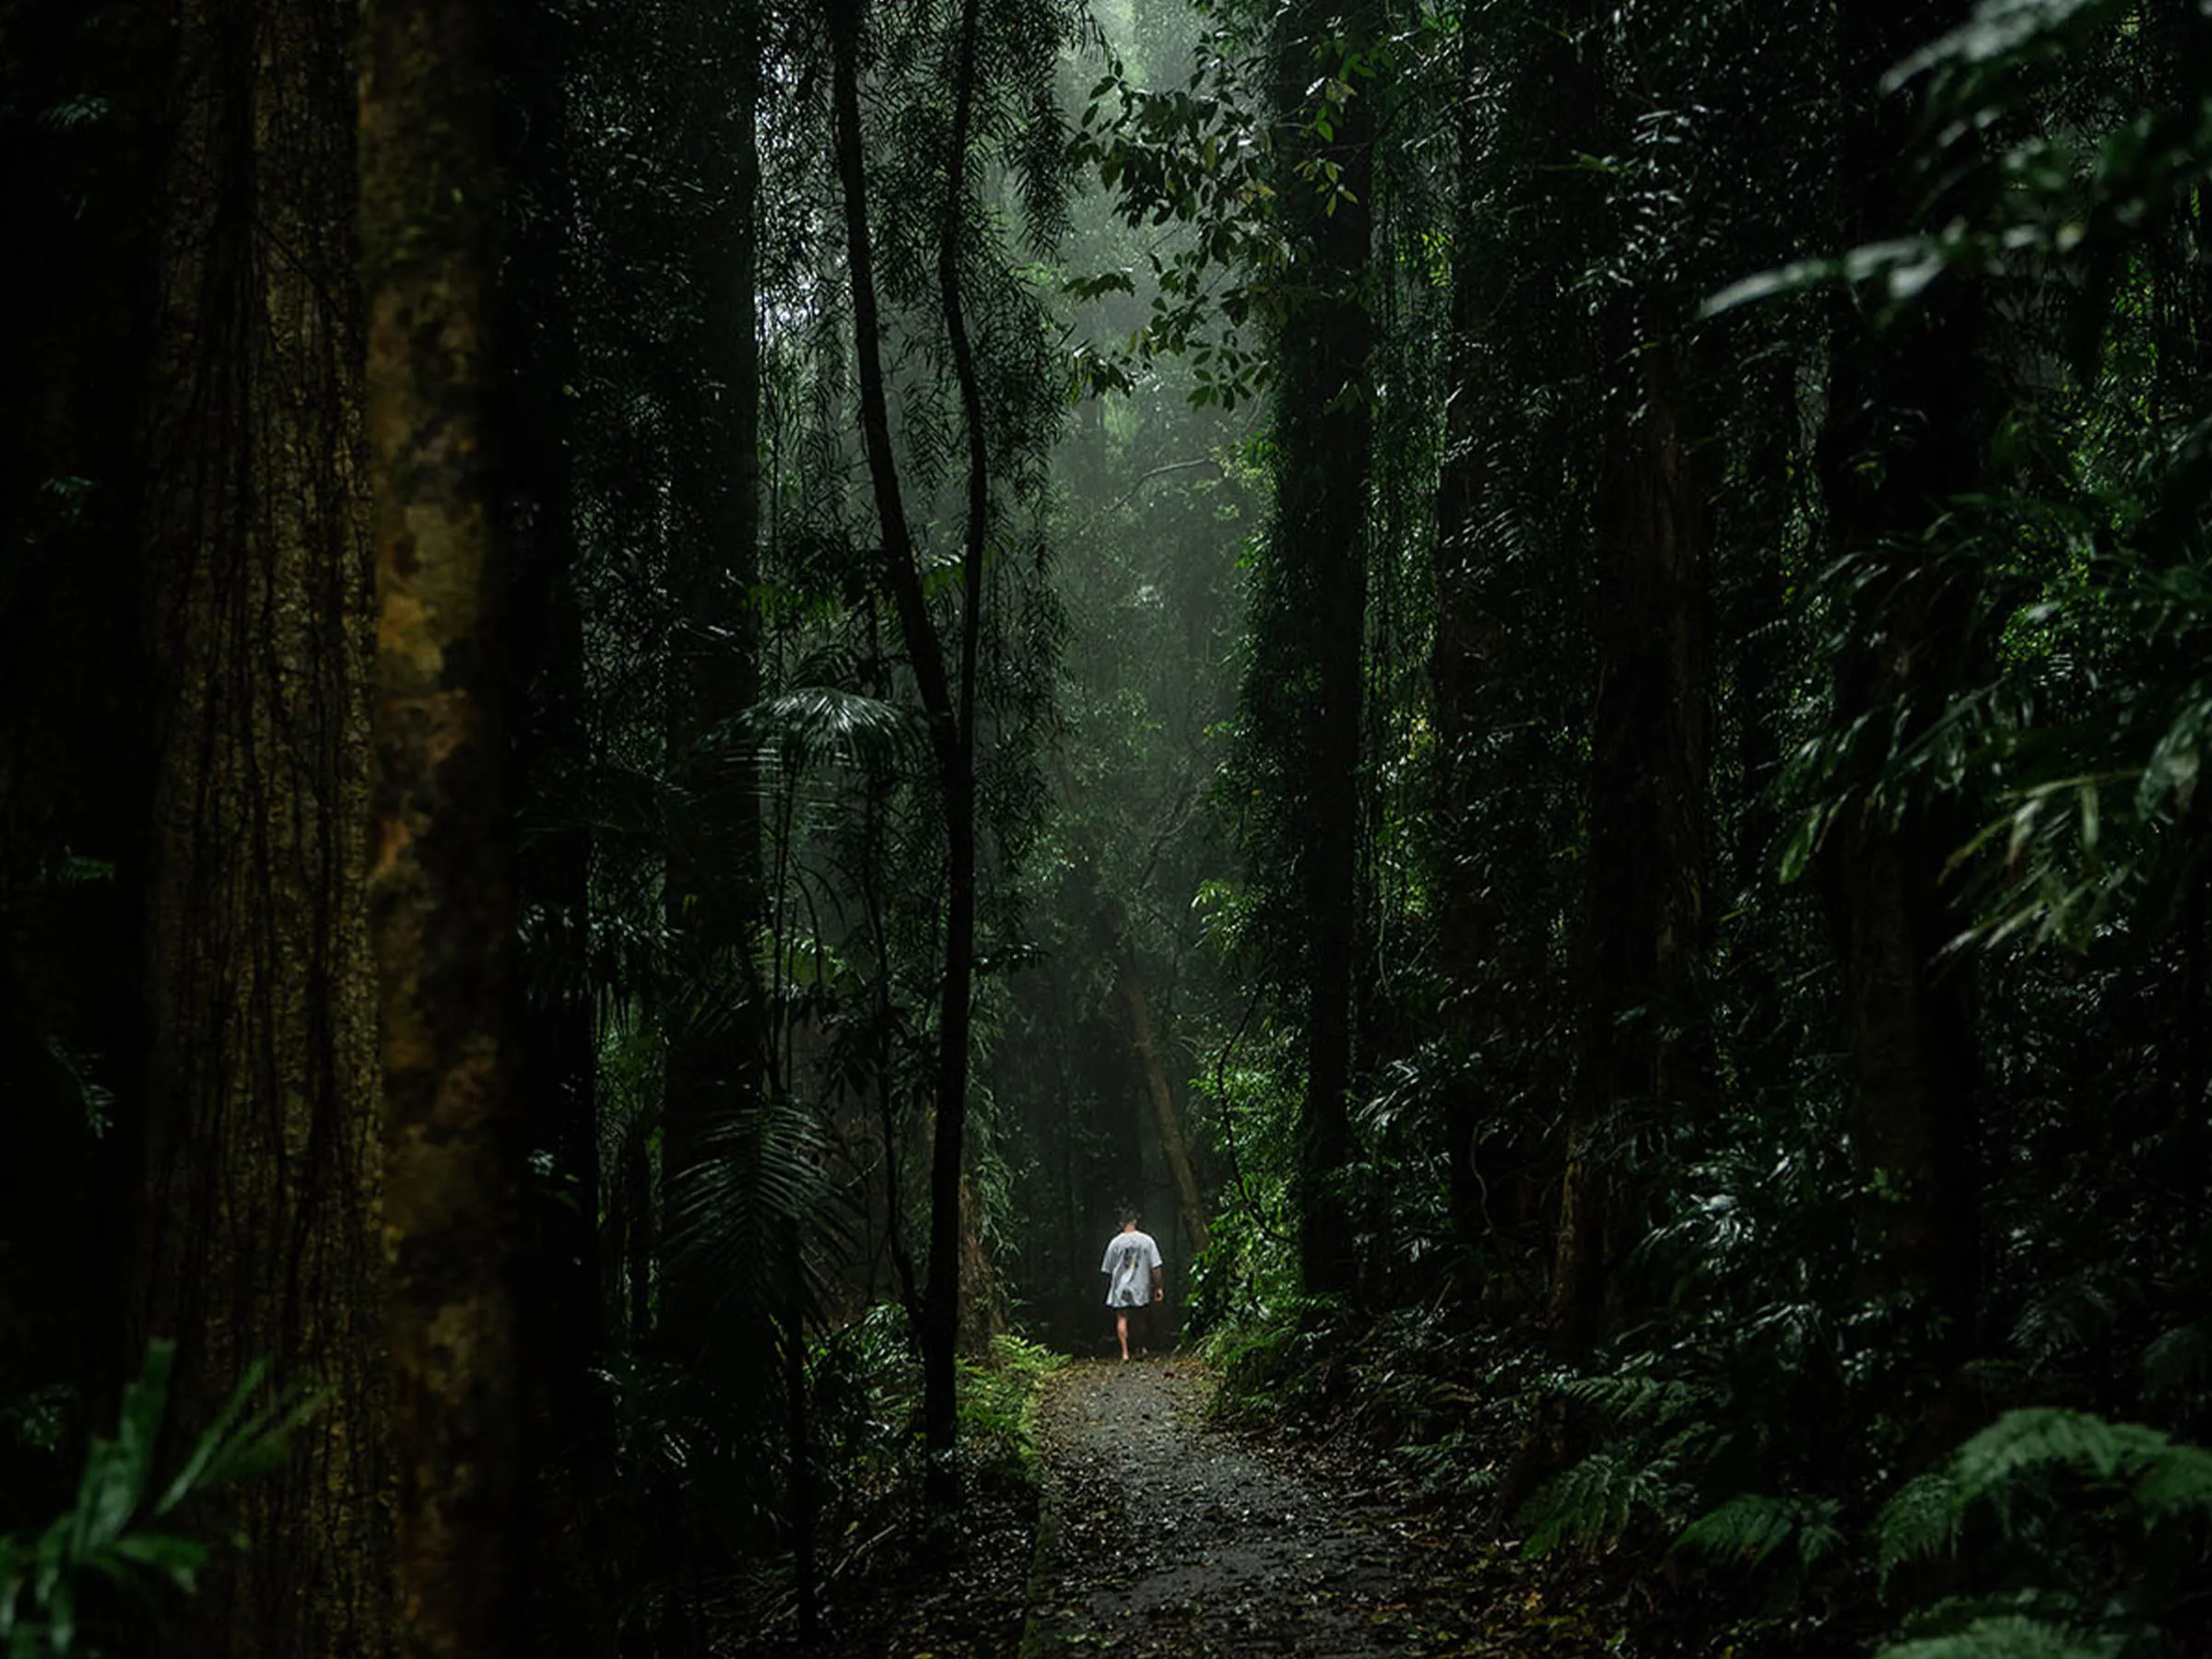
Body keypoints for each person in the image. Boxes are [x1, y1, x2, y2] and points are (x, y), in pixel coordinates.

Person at [1100, 1212, 1163, 1361]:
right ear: (1135, 1222)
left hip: (1120, 1286)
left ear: (1121, 1224)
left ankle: (1125, 1352)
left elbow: (1107, 1269)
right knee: (1139, 1318)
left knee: (1122, 1317)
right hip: (1140, 1285)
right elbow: (1156, 1267)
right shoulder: (1147, 1241)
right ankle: (1139, 1348)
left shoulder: (1114, 1243)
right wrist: (1158, 1286)